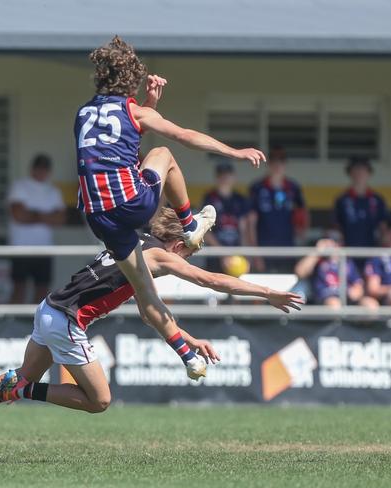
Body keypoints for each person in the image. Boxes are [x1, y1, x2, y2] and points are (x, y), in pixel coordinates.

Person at [0, 208, 302, 461]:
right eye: (192, 251)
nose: (190, 258)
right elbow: (213, 280)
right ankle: (19, 391)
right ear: (179, 245)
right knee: (98, 400)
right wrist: (267, 292)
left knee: (23, 373)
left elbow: (150, 312)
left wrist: (186, 339)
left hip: (49, 308)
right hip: (67, 319)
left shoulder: (135, 242)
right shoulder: (161, 256)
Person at [75, 36, 265, 380]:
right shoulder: (134, 111)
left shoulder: (84, 113)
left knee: (143, 289)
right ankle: (190, 226)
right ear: (130, 78)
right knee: (164, 154)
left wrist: (150, 105)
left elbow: (120, 150)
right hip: (131, 206)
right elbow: (184, 135)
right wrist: (234, 152)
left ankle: (188, 358)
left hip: (98, 218)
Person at [8, 154, 66, 304]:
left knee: (42, 289)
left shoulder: (53, 191)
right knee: (19, 287)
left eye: (45, 169)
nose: (42, 172)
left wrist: (33, 213)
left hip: (45, 248)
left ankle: (37, 324)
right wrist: (46, 216)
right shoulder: (20, 186)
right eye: (39, 168)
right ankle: (14, 323)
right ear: (33, 169)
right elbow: (19, 215)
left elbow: (60, 219)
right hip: (21, 247)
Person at [248, 146, 308, 272]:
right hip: (263, 249)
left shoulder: (293, 187)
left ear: (285, 164)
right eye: (274, 161)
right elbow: (251, 222)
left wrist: (302, 238)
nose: (277, 165)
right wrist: (255, 253)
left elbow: (303, 214)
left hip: (288, 248)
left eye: (281, 161)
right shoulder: (257, 187)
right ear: (268, 163)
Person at [294, 235, 378, 309]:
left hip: (348, 298)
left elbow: (358, 286)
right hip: (325, 298)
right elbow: (300, 272)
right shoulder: (317, 260)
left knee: (371, 305)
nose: (331, 245)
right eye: (328, 242)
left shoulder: (347, 261)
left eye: (335, 242)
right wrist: (317, 251)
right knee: (334, 304)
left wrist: (355, 292)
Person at [202, 161, 251, 273]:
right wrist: (222, 254)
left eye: (227, 174)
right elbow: (205, 231)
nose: (224, 178)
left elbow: (244, 230)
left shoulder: (240, 199)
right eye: (221, 174)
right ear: (216, 177)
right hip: (215, 257)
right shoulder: (209, 198)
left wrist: (247, 256)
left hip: (237, 258)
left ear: (234, 177)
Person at [334, 157, 389, 249]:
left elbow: (383, 228)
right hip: (348, 251)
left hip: (373, 252)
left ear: (369, 173)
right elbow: (336, 226)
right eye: (356, 169)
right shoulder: (342, 200)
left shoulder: (377, 199)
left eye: (363, 170)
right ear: (350, 173)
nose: (360, 173)